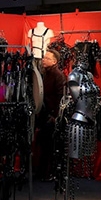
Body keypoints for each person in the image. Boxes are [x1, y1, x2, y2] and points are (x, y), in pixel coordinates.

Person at [37, 49, 66, 181]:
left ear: (54, 61)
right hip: (45, 113)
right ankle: (43, 172)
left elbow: (61, 97)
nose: (44, 60)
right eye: (44, 58)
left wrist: (56, 116)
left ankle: (48, 173)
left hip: (52, 115)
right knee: (44, 144)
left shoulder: (58, 76)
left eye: (47, 58)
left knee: (49, 145)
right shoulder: (45, 74)